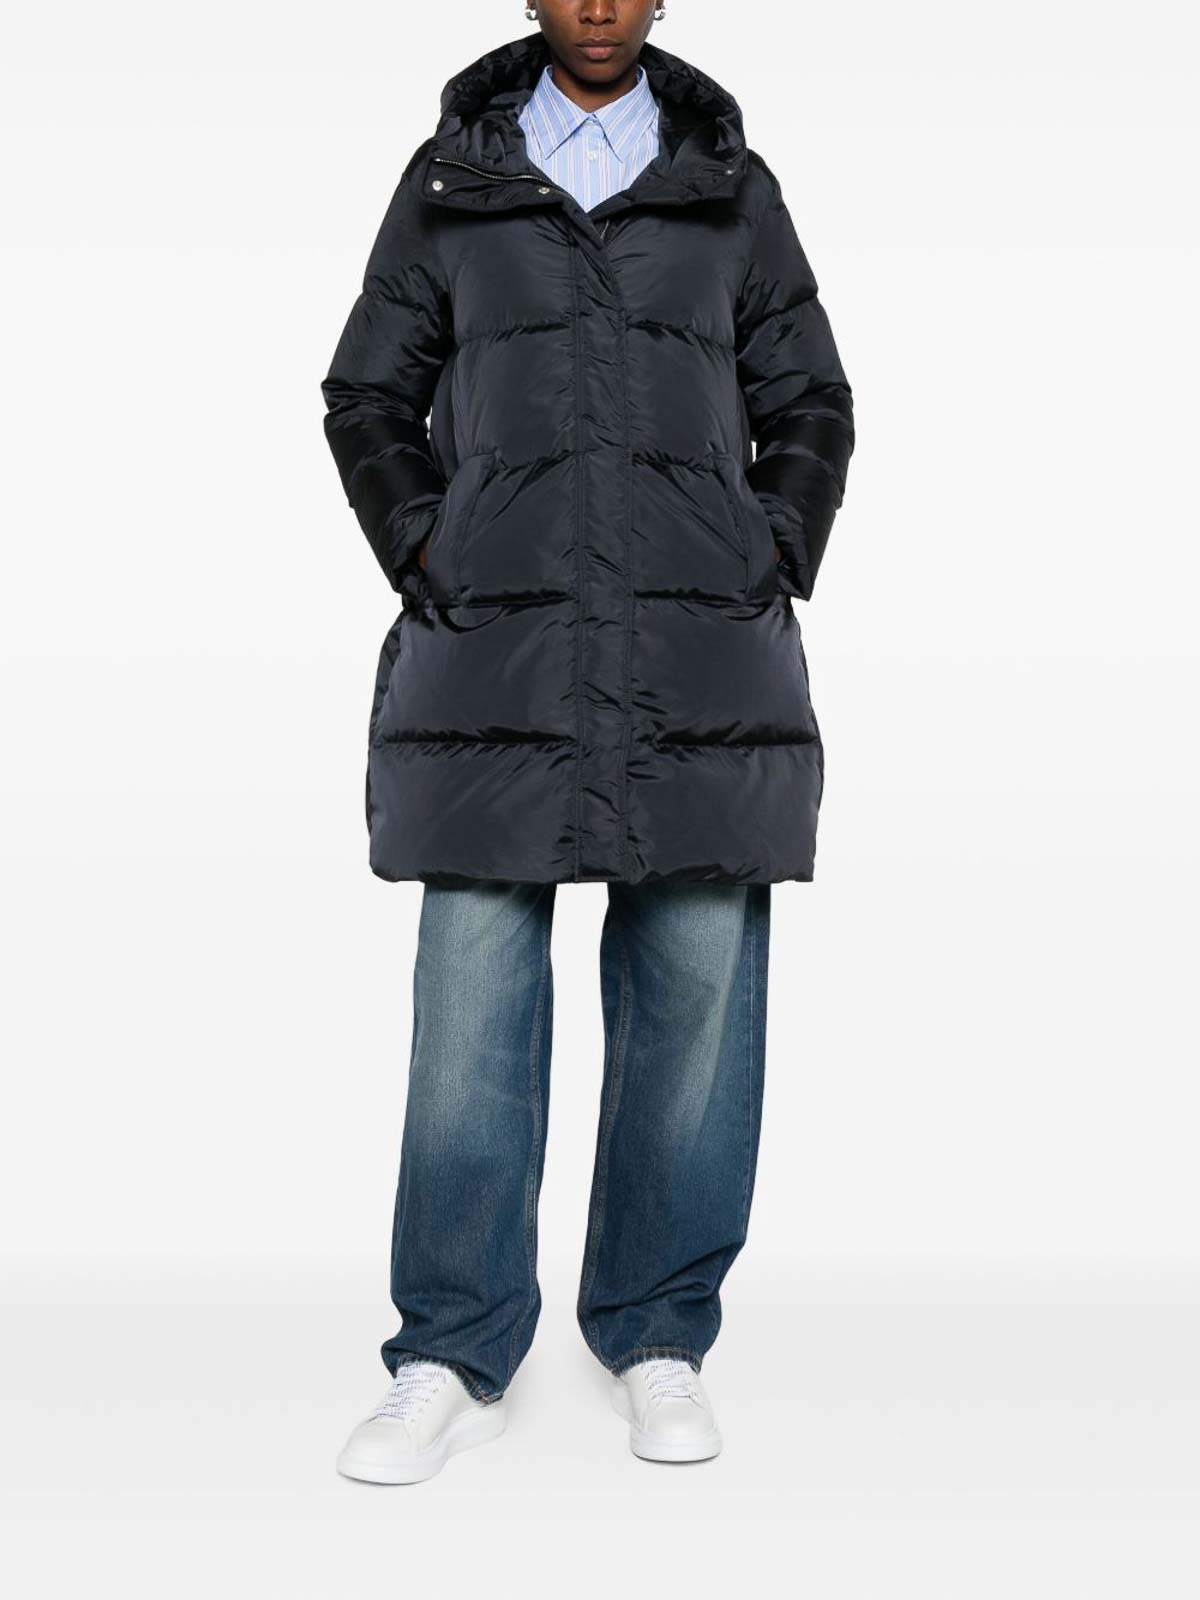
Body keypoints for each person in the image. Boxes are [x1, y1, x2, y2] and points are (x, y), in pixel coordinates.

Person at [320, 0, 853, 1484]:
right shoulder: (453, 179)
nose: (599, 4)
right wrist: (428, 538)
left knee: (694, 1003)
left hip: (697, 653)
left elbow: (810, 393)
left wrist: (771, 541)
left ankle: (659, 1331)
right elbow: (366, 388)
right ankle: (448, 1348)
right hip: (499, 648)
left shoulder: (729, 183)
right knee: (472, 1010)